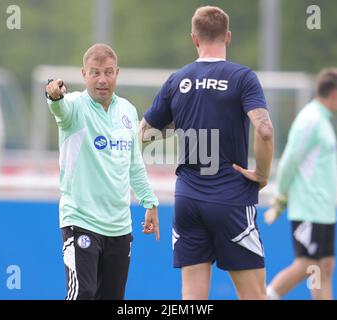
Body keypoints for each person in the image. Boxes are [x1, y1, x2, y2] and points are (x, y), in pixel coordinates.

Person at [139, 6, 274, 300]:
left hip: (187, 198)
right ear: (227, 37)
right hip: (231, 199)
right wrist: (262, 175)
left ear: (194, 39)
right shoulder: (242, 77)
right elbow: (264, 130)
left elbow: (144, 134)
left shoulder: (178, 80)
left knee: (193, 300)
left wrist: (183, 123)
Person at [45, 44, 160, 300]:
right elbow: (59, 109)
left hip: (119, 226)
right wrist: (54, 96)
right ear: (84, 74)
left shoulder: (128, 111)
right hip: (81, 221)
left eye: (108, 72)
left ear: (117, 73)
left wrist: (149, 202)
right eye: (95, 73)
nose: (102, 79)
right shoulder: (74, 106)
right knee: (83, 293)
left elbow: (134, 163)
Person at [265, 68, 337, 300]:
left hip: (324, 211)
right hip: (308, 209)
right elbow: (289, 162)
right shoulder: (310, 120)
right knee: (307, 264)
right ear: (334, 92)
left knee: (324, 265)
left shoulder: (323, 120)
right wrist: (280, 198)